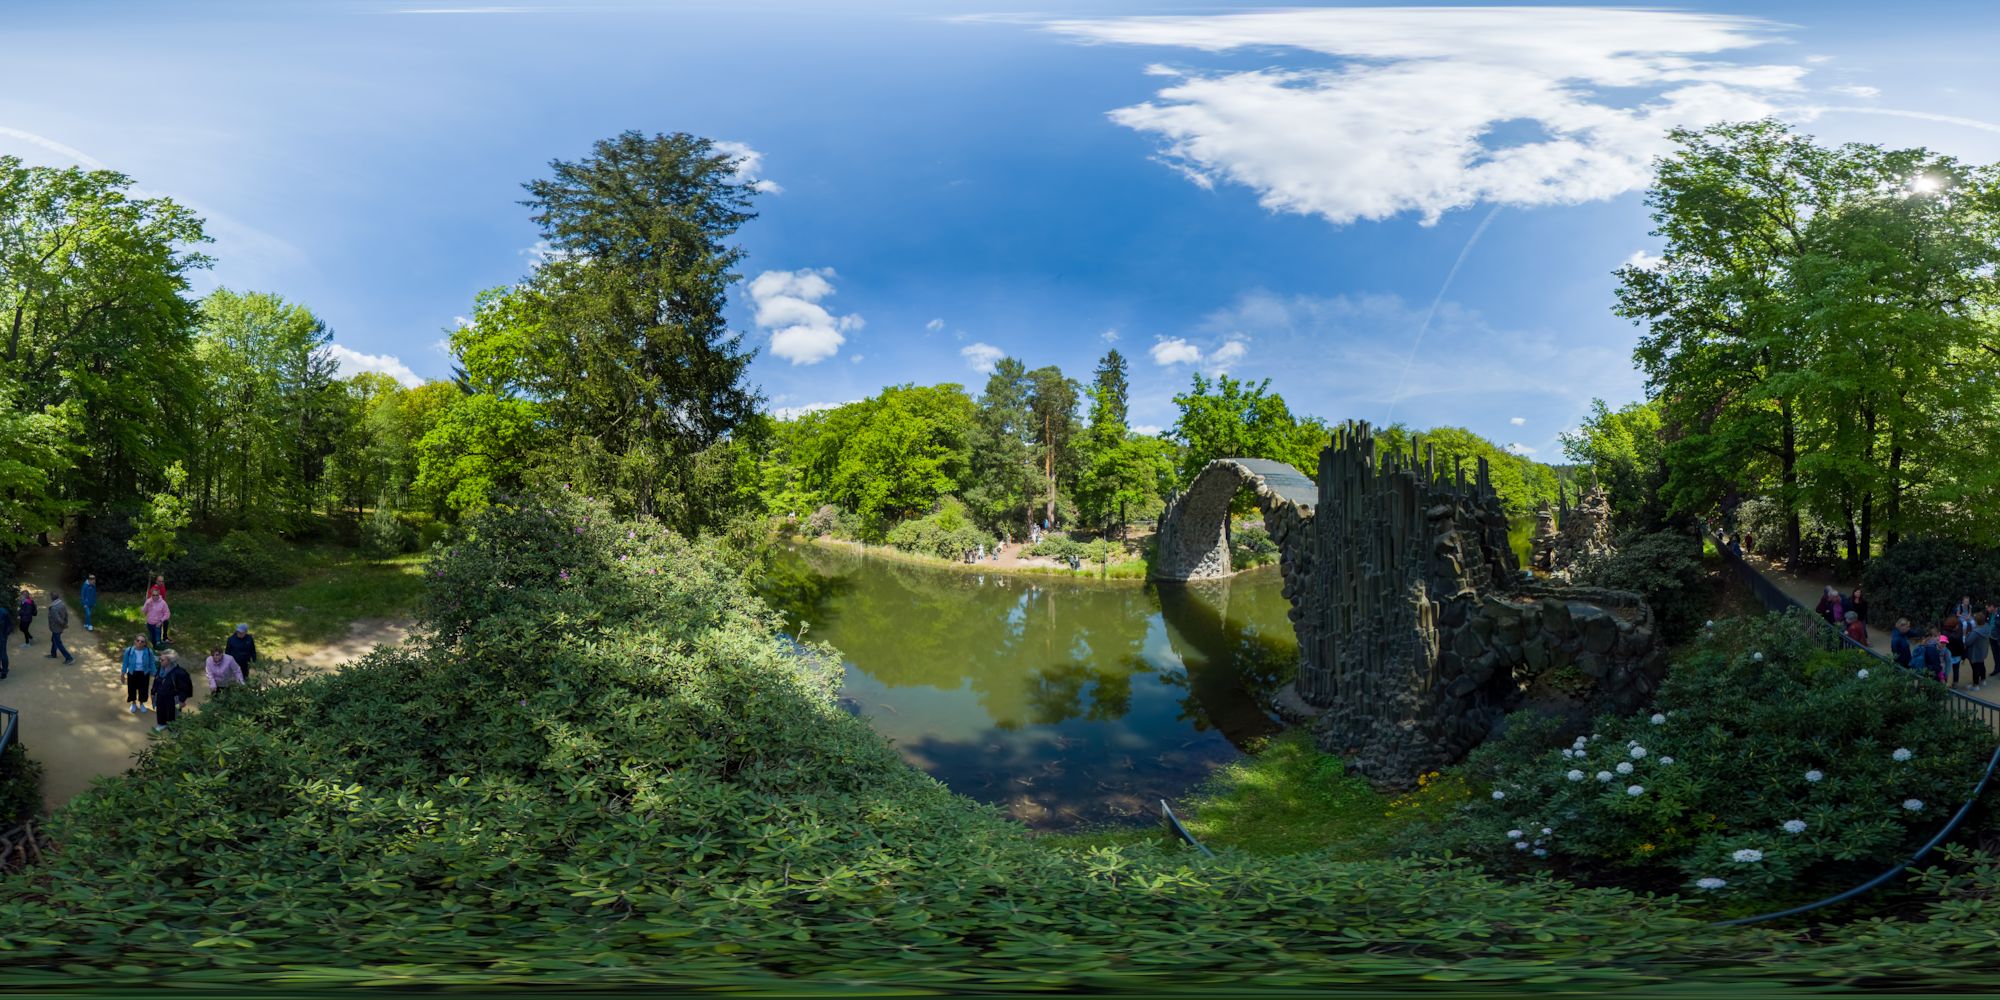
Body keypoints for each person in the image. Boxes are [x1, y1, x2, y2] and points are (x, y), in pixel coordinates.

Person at [153, 650, 193, 733]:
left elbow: (185, 688)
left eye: (162, 660)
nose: (160, 661)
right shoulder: (161, 669)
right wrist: (153, 693)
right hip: (161, 696)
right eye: (160, 659)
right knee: (160, 711)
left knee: (174, 714)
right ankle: (162, 724)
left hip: (174, 699)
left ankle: (174, 730)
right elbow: (156, 681)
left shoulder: (180, 673)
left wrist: (182, 700)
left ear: (170, 661)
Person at [122, 635, 157, 713]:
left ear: (145, 643)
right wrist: (123, 673)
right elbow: (125, 662)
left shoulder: (148, 651)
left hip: (144, 673)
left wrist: (155, 674)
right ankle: (133, 703)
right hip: (132, 673)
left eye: (142, 641)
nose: (139, 642)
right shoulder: (129, 650)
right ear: (135, 641)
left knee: (143, 689)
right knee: (132, 689)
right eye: (138, 640)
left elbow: (152, 663)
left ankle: (141, 704)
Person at [1968, 610, 1992, 690]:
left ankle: (1975, 685)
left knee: (1975, 668)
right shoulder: (1987, 627)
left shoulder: (1975, 632)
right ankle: (1983, 680)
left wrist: (1968, 635)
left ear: (1976, 621)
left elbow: (1968, 642)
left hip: (1975, 653)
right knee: (1982, 665)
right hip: (1983, 651)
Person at [45, 592, 72, 664]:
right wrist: (65, 623)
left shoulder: (53, 608)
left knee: (58, 643)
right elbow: (66, 614)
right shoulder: (62, 604)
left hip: (56, 628)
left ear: (51, 598)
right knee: (54, 640)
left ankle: (69, 658)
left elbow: (57, 619)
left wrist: (64, 624)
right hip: (59, 627)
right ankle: (53, 654)